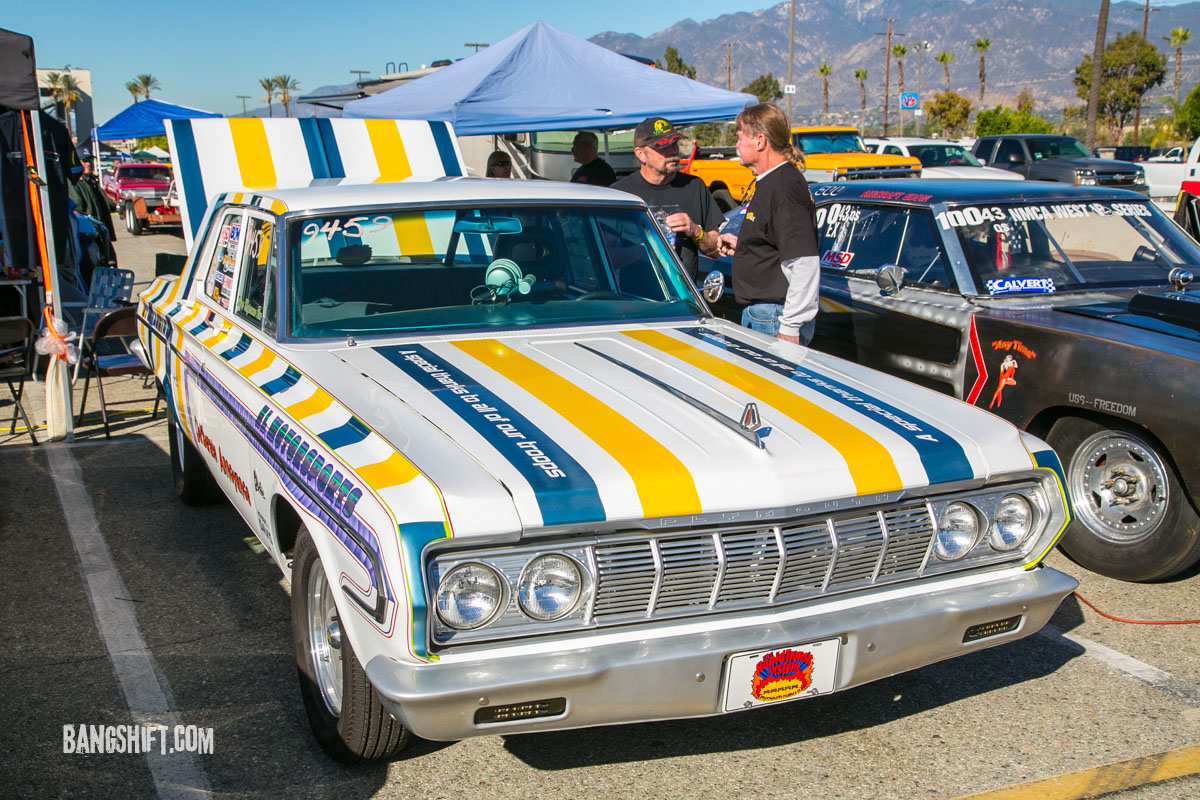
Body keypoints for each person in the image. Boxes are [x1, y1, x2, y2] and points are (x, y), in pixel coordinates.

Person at [717, 103, 819, 345]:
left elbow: (804, 262)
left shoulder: (783, 187)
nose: (737, 145)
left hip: (774, 316)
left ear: (760, 141)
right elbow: (777, 242)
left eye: (740, 138)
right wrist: (744, 245)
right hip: (766, 313)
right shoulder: (772, 182)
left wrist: (790, 327)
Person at [612, 117, 724, 283]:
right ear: (641, 154)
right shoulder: (620, 193)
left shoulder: (694, 186)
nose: (672, 151)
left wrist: (695, 230)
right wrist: (646, 250)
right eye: (662, 147)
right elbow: (604, 257)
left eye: (674, 144)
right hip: (637, 295)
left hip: (684, 295)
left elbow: (715, 250)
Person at [68, 159, 116, 241]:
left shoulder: (93, 181)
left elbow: (106, 207)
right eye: (84, 161)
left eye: (90, 160)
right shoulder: (74, 183)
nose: (88, 164)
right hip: (89, 235)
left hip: (100, 231)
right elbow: (78, 209)